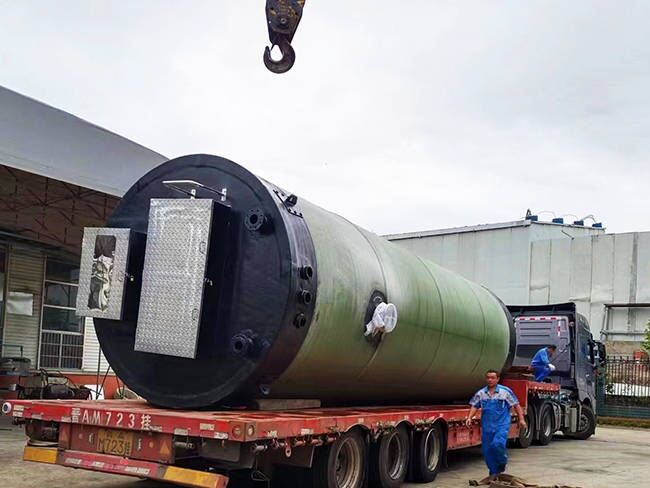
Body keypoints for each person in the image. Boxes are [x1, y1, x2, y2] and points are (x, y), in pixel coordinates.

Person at [465, 370, 526, 478]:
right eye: (488, 377)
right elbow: (475, 405)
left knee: (497, 444)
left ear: (498, 379)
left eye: (493, 378)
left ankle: (502, 462)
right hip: (487, 426)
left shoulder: (505, 391)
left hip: (501, 424)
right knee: (487, 450)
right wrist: (469, 417)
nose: (490, 380)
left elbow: (516, 405)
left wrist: (521, 419)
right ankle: (493, 472)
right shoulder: (481, 393)